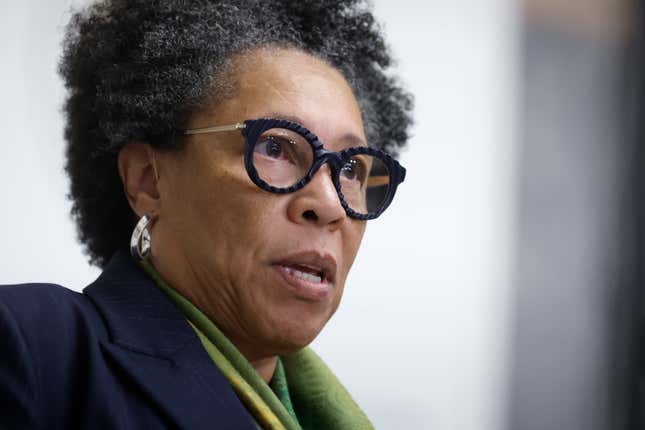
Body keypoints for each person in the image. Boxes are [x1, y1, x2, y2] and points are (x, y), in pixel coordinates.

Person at [0, 0, 413, 428]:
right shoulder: (29, 352)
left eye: (350, 169)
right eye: (274, 148)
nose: (328, 205)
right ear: (147, 180)